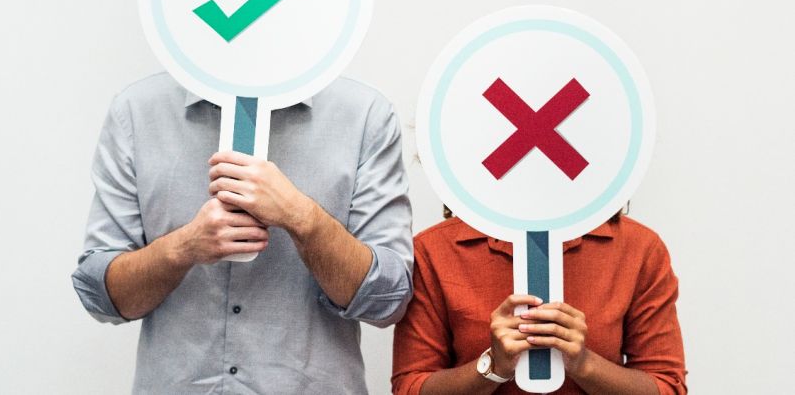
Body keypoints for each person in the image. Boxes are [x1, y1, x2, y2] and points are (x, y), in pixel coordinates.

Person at [71, 73, 413, 394]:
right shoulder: (136, 112)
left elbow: (387, 301)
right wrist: (182, 248)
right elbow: (101, 297)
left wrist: (302, 217)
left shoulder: (364, 115)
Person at [392, 208, 687, 394]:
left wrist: (584, 364)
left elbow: (667, 386)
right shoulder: (434, 250)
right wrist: (494, 367)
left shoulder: (638, 248)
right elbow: (410, 386)